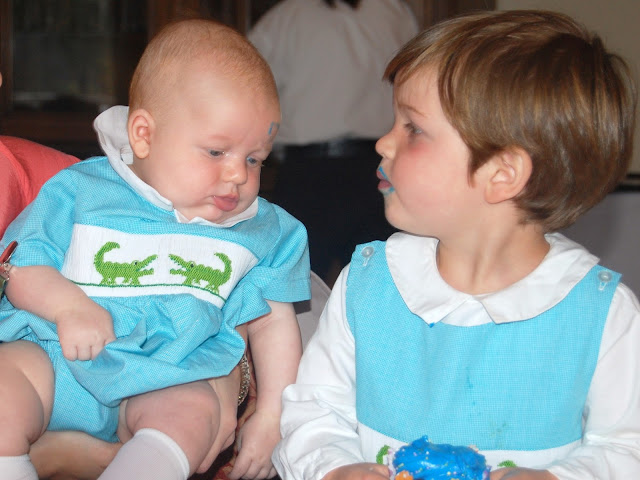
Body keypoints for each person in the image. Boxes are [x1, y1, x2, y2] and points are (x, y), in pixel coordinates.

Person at [272, 9, 639, 480]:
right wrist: (334, 468)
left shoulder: (599, 313)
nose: (383, 143)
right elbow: (314, 411)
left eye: (413, 129)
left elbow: (625, 449)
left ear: (501, 174)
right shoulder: (369, 283)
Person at [0, 17, 309, 480]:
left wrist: (272, 415)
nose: (238, 176)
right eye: (216, 152)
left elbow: (274, 323)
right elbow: (21, 265)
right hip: (56, 357)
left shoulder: (263, 230)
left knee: (191, 413)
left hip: (170, 375)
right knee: (4, 386)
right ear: (144, 135)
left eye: (254, 158)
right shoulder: (80, 190)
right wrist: (68, 307)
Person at [248, 0, 419, 285]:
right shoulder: (394, 11)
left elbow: (248, 88)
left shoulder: (286, 17)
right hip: (370, 171)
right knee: (377, 283)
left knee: (296, 287)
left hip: (321, 173)